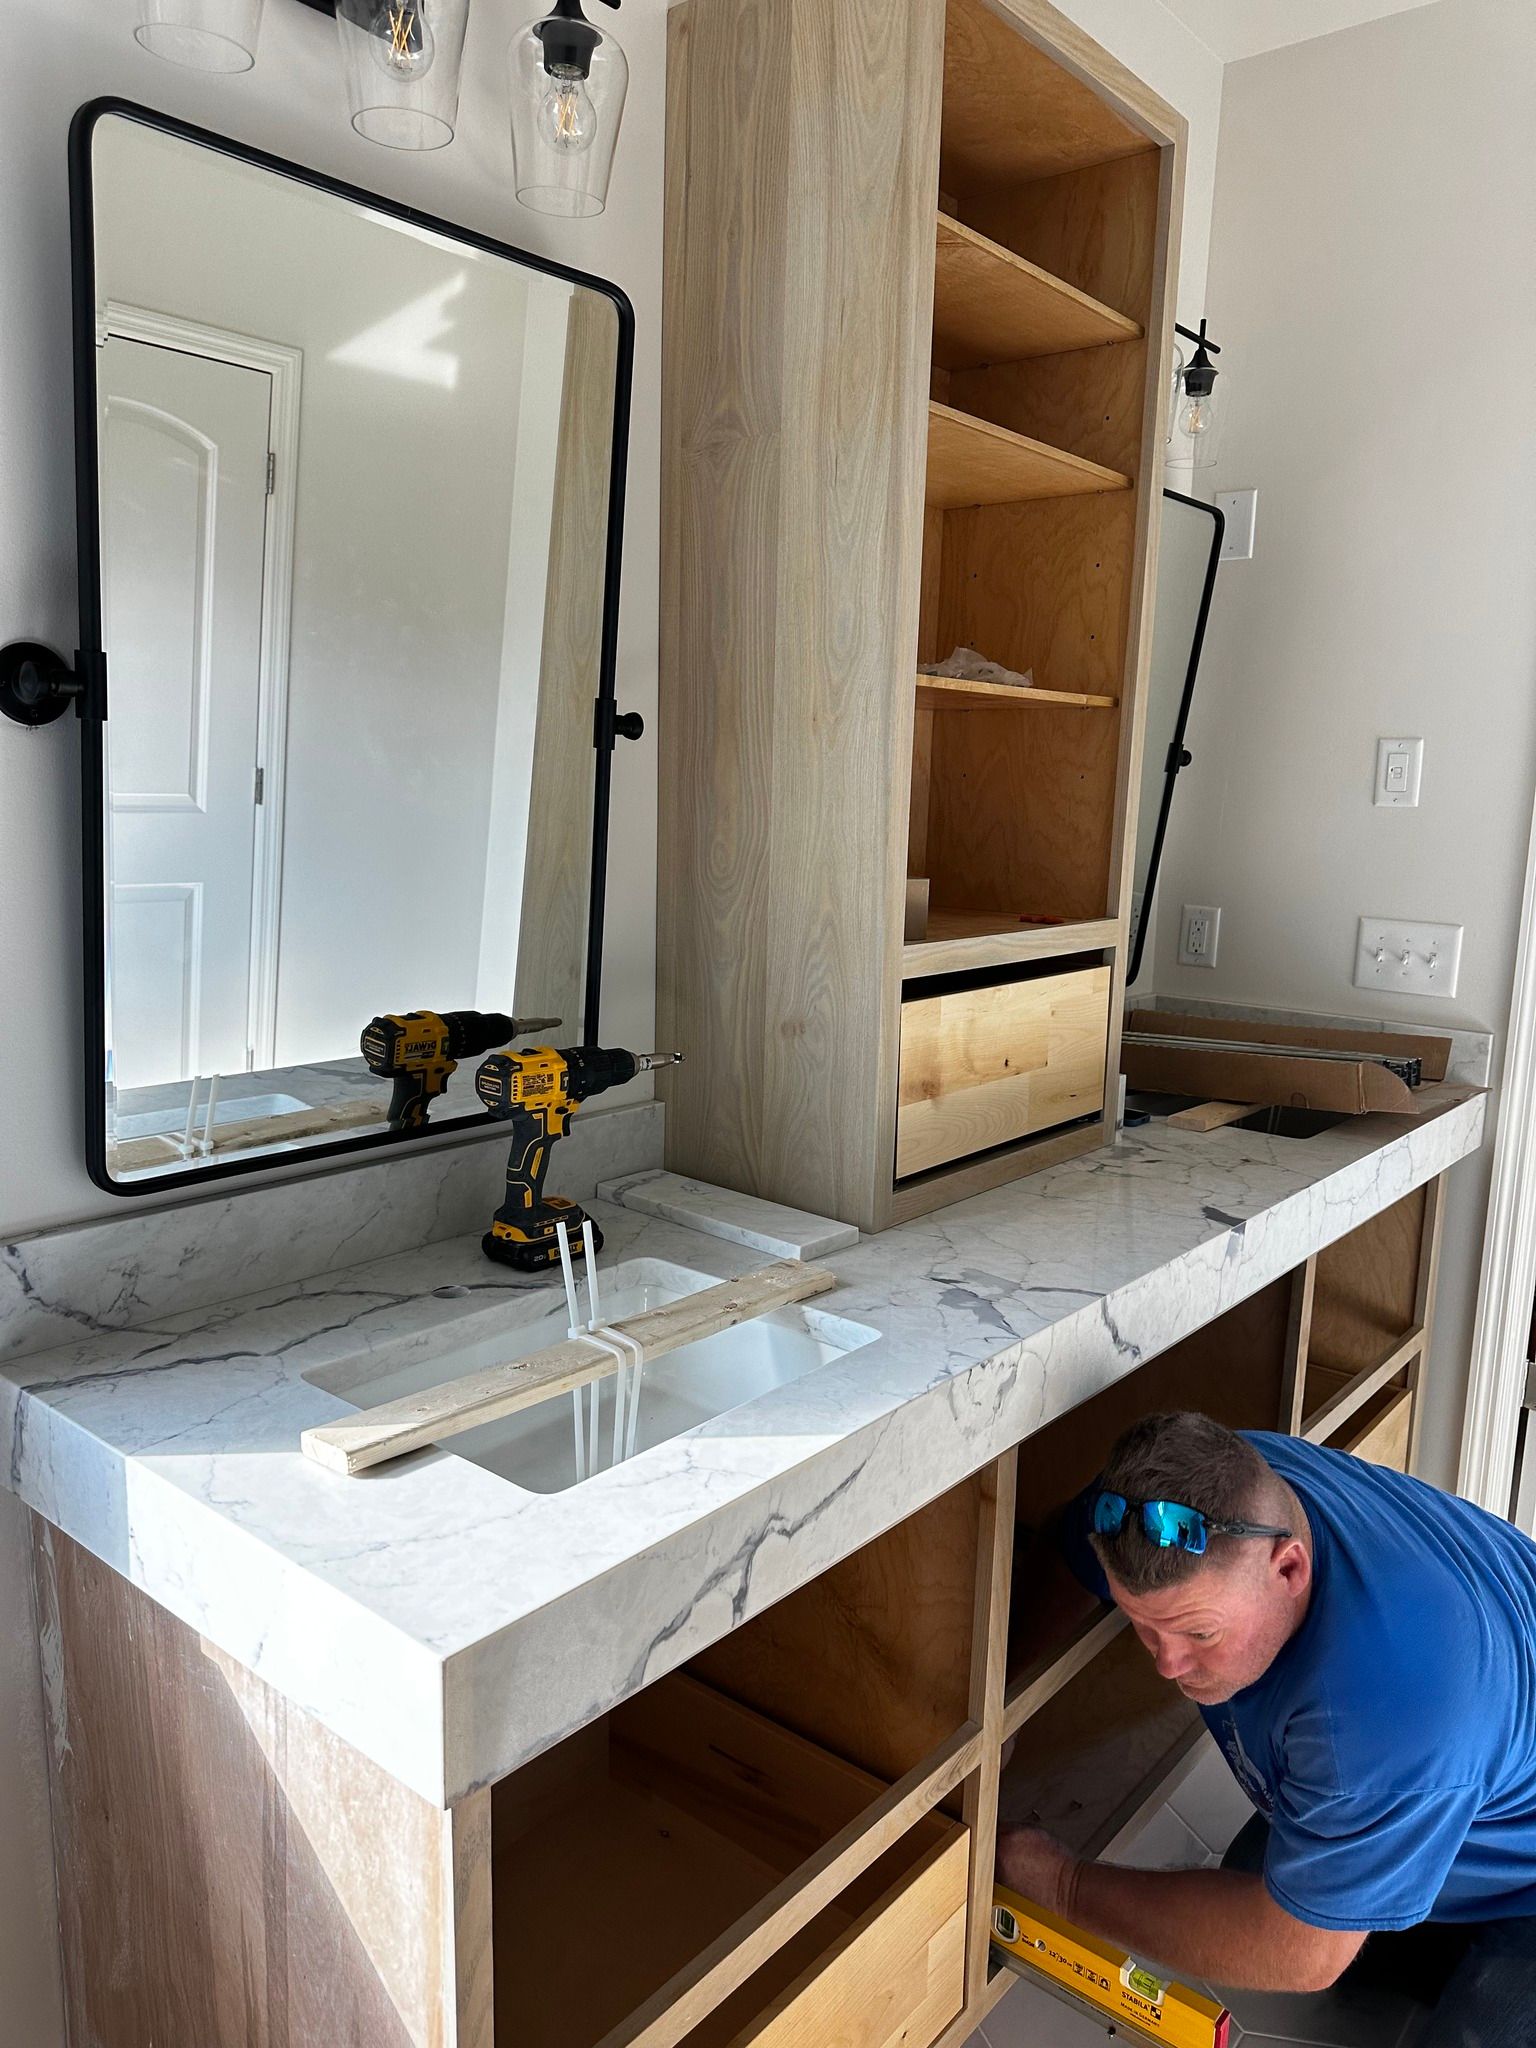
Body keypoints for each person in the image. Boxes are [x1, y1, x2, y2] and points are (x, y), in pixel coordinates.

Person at [997, 1412, 1536, 2045]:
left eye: (1200, 1633)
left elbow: (1299, 1953)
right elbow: (1069, 1547)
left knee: (1290, 1941)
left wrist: (1067, 1887)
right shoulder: (1199, 1492)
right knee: (1251, 1876)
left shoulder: (1383, 1712)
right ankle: (1407, 1897)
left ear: (1289, 1568)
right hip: (1468, 1742)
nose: (1169, 1664)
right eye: (1145, 1627)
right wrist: (1005, 1705)